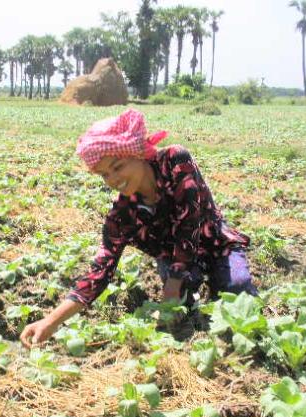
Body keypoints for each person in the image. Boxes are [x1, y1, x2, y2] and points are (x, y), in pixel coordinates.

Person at [20, 109, 257, 348]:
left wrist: (173, 283)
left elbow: (190, 221)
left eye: (117, 166)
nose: (113, 179)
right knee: (180, 309)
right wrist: (51, 321)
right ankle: (193, 300)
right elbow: (100, 271)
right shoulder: (122, 215)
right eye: (104, 174)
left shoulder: (175, 160)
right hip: (173, 257)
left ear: (138, 153)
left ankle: (215, 289)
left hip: (214, 242)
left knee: (238, 290)